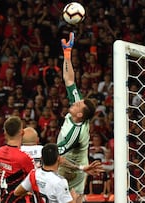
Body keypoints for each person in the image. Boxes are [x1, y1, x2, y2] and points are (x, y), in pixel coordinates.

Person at [57, 32, 96, 203]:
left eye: (78, 104)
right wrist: (67, 55)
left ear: (79, 114)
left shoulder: (75, 132)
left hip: (73, 169)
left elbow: (58, 153)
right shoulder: (79, 113)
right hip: (68, 163)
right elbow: (69, 79)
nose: (76, 102)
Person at [0, 116, 35, 203]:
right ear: (22, 132)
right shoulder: (24, 158)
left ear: (5, 133)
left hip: (5, 199)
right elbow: (34, 181)